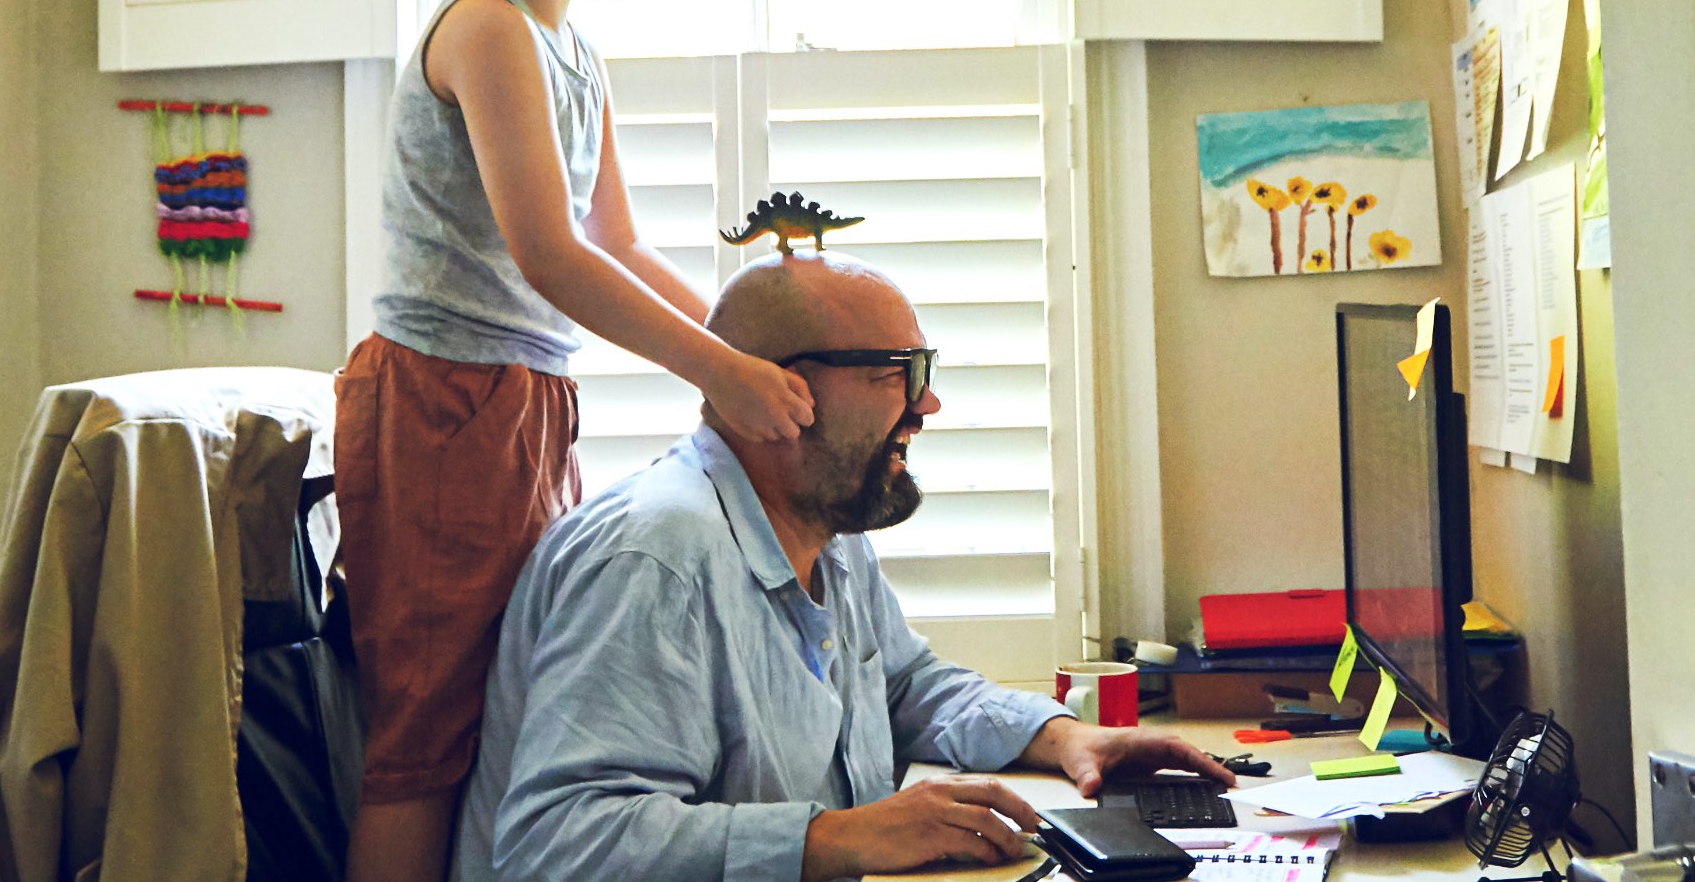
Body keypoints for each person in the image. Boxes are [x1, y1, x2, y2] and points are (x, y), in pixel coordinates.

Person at [335, 0, 816, 879]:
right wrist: (721, 376)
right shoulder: (488, 27)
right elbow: (550, 253)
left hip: (522, 401)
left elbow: (622, 245)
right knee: (425, 733)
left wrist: (752, 350)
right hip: (444, 402)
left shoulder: (572, 48)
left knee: (510, 693)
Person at [452, 253, 1236, 882]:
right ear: (778, 389)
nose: (927, 406)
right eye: (897, 372)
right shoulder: (653, 560)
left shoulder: (829, 529)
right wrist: (832, 841)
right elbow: (555, 842)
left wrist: (1063, 736)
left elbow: (903, 687)